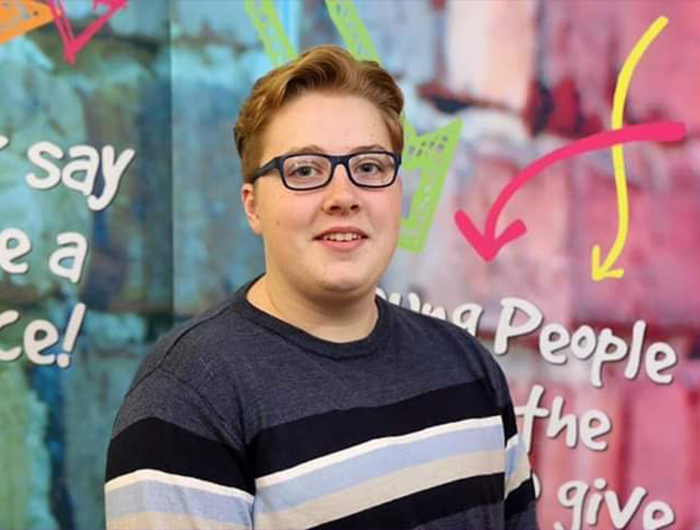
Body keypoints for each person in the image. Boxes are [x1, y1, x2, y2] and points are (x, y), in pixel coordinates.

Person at [104, 44, 539, 530]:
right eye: (305, 170)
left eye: (370, 166)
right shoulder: (187, 399)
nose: (343, 197)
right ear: (252, 206)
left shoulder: (467, 367)